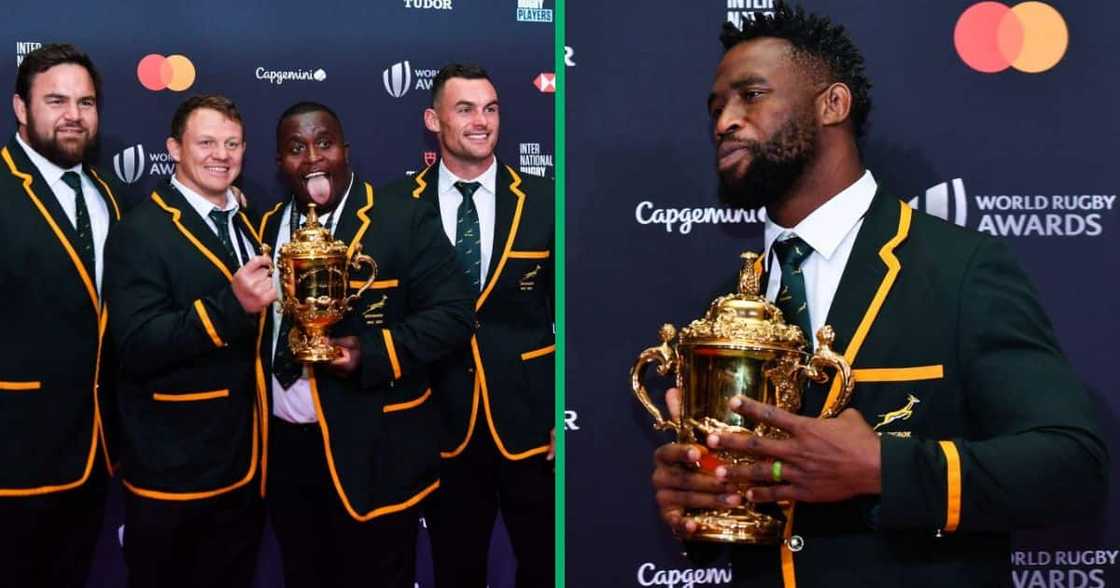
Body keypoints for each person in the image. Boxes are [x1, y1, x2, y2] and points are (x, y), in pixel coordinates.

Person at [650, 5, 1108, 587]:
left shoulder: (959, 267)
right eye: (716, 108)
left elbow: (1072, 468)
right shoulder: (730, 305)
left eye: (751, 95)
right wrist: (697, 498)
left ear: (832, 105)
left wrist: (882, 469)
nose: (725, 122)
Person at [258, 101, 475, 588]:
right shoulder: (266, 226)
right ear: (279, 164)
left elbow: (455, 315)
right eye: (296, 149)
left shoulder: (401, 217)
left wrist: (370, 353)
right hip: (287, 452)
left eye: (324, 143)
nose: (313, 158)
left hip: (376, 449)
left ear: (345, 150)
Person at [383, 63, 555, 587]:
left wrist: (565, 415)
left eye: (491, 109)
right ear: (433, 119)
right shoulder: (393, 206)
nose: (481, 121)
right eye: (465, 109)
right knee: (456, 567)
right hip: (437, 421)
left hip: (530, 423)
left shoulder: (547, 200)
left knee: (545, 565)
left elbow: (575, 313)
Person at [104, 95, 271, 588]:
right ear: (174, 149)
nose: (222, 154)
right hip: (172, 472)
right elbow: (136, 343)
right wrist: (229, 307)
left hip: (245, 462)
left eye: (233, 143)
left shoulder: (244, 216)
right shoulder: (141, 230)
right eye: (206, 142)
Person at [0, 42, 122, 588]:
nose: (74, 115)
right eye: (56, 100)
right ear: (21, 109)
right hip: (13, 454)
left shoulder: (107, 196)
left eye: (86, 102)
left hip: (94, 454)